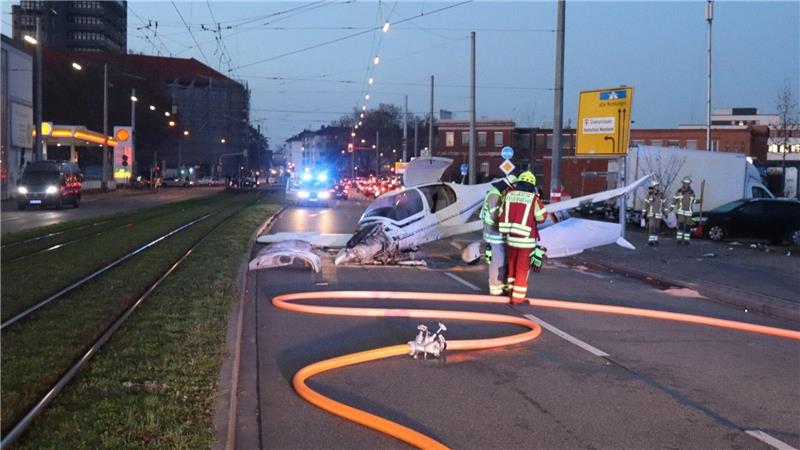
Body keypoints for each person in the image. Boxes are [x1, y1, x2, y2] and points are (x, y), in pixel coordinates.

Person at [498, 171, 548, 304]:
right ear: (532, 186)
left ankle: (509, 291)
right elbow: (541, 217)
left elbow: (500, 214)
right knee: (522, 268)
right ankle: (518, 298)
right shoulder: (533, 199)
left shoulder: (508, 195)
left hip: (510, 237)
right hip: (525, 239)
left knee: (512, 264)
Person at [479, 174, 517, 296]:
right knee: (497, 261)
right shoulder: (495, 195)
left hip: (496, 232)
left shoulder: (497, 193)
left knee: (502, 259)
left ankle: (502, 285)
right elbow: (496, 216)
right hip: (494, 233)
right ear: (508, 186)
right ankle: (495, 288)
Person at [671, 177, 696, 245]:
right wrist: (671, 208)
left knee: (688, 227)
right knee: (681, 226)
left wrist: (699, 201)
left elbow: (693, 201)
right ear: (683, 184)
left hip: (688, 212)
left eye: (688, 184)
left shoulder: (692, 192)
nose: (686, 185)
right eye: (685, 183)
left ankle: (686, 240)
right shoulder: (679, 191)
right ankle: (679, 239)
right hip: (681, 211)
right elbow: (674, 200)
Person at [643, 179, 666, 246]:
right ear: (653, 187)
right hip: (651, 213)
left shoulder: (661, 195)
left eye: (658, 186)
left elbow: (664, 204)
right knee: (652, 226)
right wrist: (643, 212)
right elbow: (645, 204)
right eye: (656, 186)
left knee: (657, 227)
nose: (658, 187)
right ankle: (650, 240)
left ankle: (655, 240)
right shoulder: (649, 195)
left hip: (658, 214)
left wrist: (666, 212)